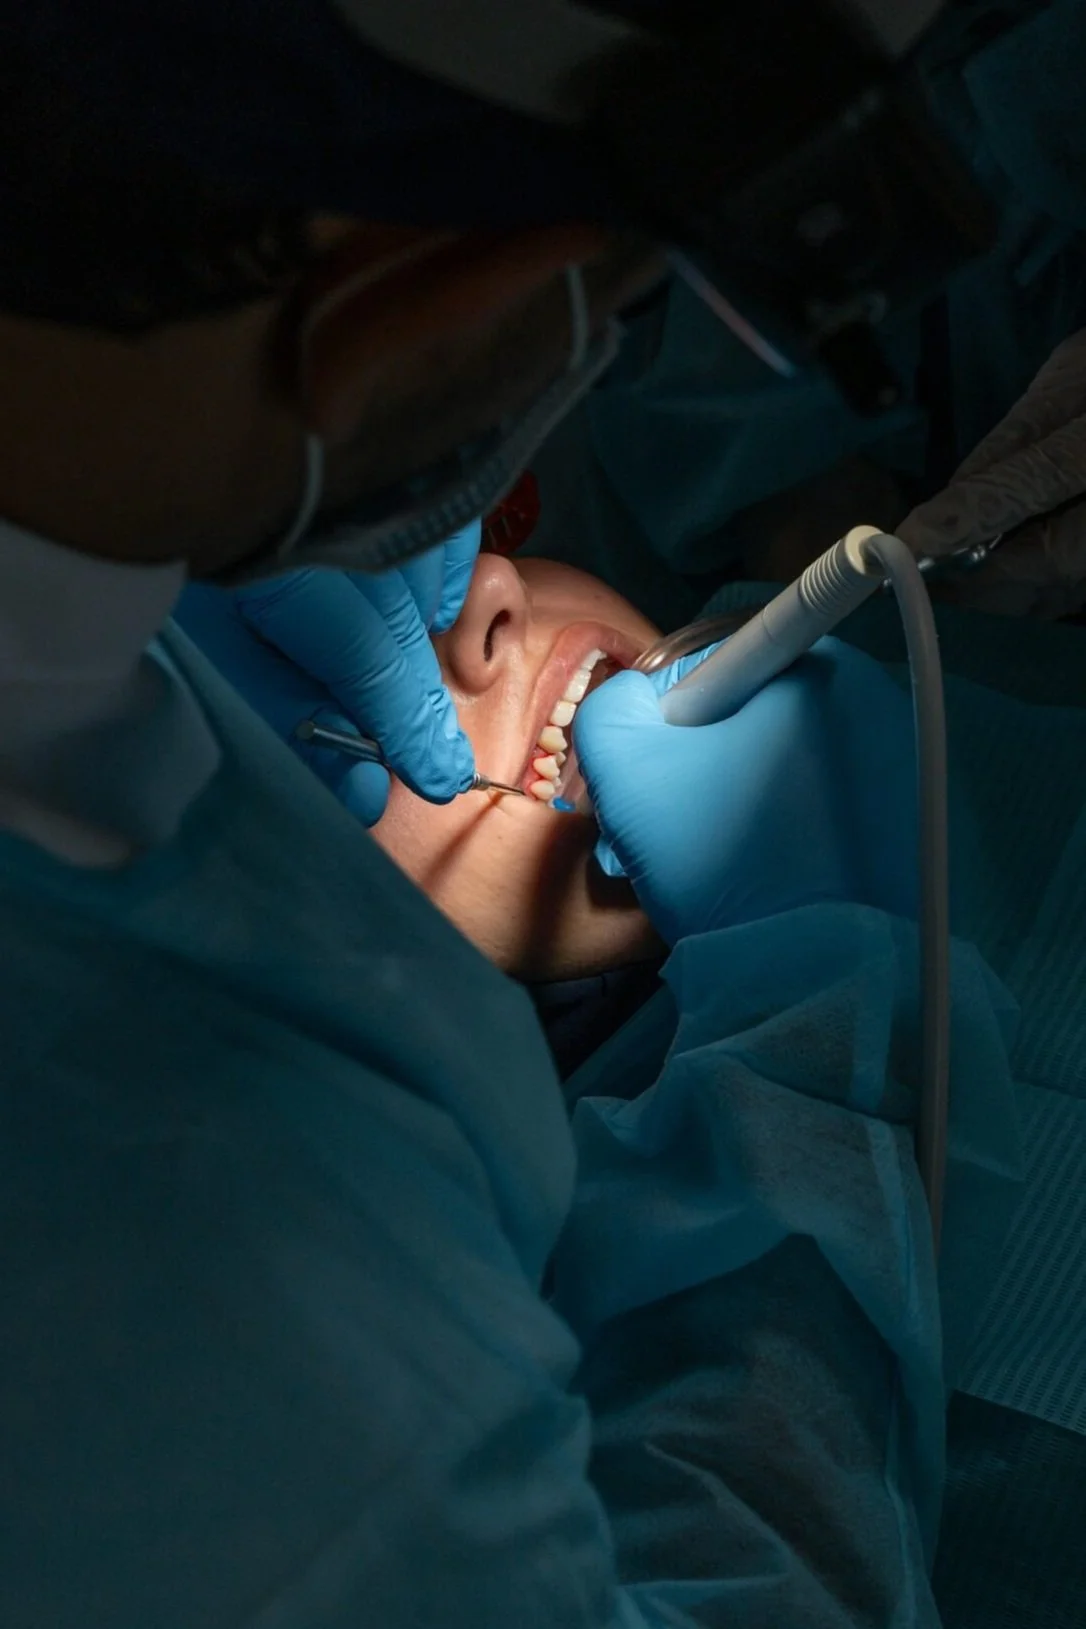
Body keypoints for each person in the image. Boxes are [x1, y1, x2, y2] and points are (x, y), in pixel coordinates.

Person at [0, 6, 1061, 1629]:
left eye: (488, 532)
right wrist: (815, 1085)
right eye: (330, 760)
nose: (483, 608)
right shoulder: (198, 1266)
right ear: (408, 304)